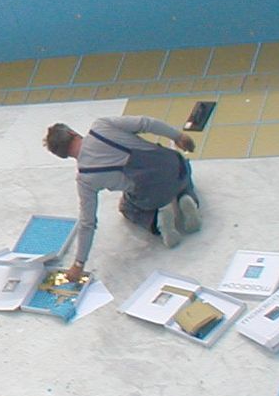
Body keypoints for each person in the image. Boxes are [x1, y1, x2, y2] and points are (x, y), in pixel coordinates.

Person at [42, 117, 201, 283]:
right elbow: (146, 123)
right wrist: (177, 136)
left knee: (127, 206)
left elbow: (87, 222)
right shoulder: (101, 126)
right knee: (183, 169)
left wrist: (78, 264)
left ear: (63, 156)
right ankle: (187, 198)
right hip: (172, 166)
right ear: (71, 132)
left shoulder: (85, 180)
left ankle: (157, 220)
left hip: (151, 194)